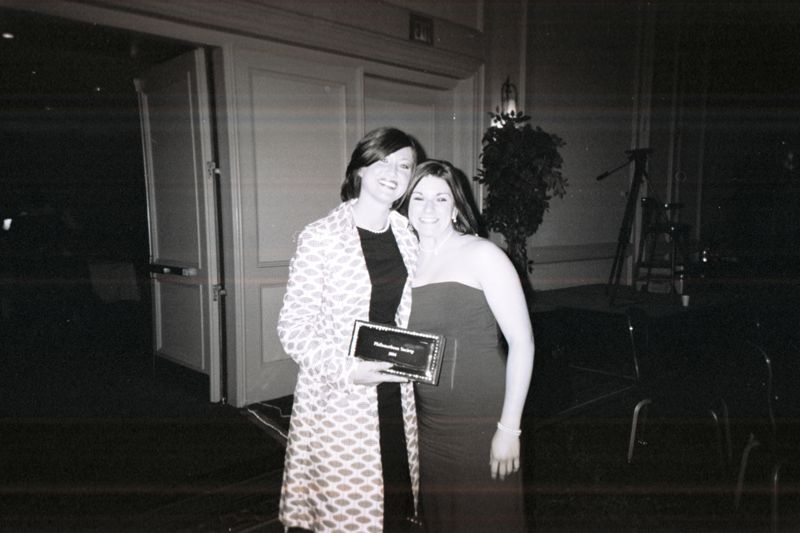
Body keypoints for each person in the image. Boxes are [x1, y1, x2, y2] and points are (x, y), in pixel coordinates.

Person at [277, 127, 424, 532]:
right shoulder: (321, 238)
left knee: (395, 497)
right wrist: (349, 370)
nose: (394, 172)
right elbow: (293, 329)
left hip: (395, 385)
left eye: (404, 165)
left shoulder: (407, 234)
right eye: (383, 161)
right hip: (340, 393)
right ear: (360, 168)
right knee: (346, 507)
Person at [399, 159, 535, 532]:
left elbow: (522, 343)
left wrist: (509, 429)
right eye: (419, 197)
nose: (428, 209)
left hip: (481, 420)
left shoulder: (482, 254)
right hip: (429, 424)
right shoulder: (403, 263)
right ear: (406, 204)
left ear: (456, 206)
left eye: (441, 199)